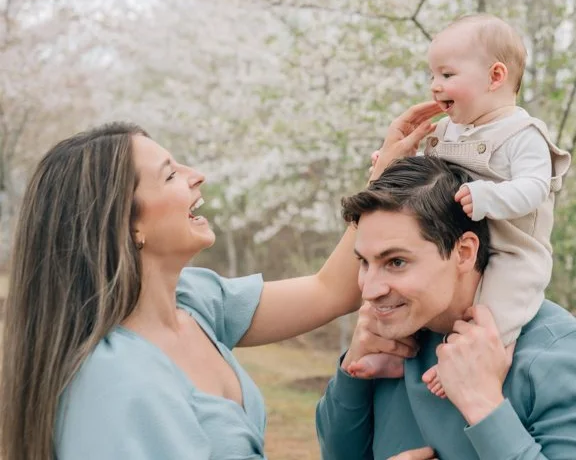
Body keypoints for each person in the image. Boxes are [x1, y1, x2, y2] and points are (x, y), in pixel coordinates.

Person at [0, 102, 441, 460]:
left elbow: (332, 290)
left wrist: (382, 177)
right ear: (127, 225)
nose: (197, 175)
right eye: (171, 174)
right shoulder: (114, 384)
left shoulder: (193, 302)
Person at [315, 155, 576, 460]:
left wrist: (484, 404)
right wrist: (352, 373)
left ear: (463, 252)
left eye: (396, 262)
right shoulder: (389, 345)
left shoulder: (562, 353)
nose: (369, 290)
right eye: (364, 262)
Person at [395, 13, 572, 397]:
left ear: (495, 77)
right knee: (407, 283)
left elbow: (535, 187)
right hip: (458, 242)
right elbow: (425, 179)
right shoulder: (448, 130)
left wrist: (490, 197)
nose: (434, 86)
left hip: (512, 247)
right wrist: (394, 162)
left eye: (446, 75)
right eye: (432, 76)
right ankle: (394, 349)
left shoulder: (523, 134)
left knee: (494, 310)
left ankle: (482, 358)